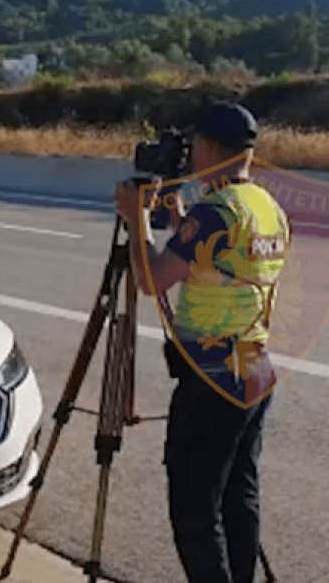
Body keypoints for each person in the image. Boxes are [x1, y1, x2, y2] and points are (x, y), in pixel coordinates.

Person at [114, 102, 290, 583]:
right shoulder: (264, 206)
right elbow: (210, 258)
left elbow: (153, 280)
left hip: (213, 377)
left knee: (195, 506)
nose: (188, 158)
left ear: (210, 148)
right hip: (253, 364)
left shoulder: (216, 212)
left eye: (193, 149)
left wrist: (137, 221)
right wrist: (174, 212)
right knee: (239, 493)